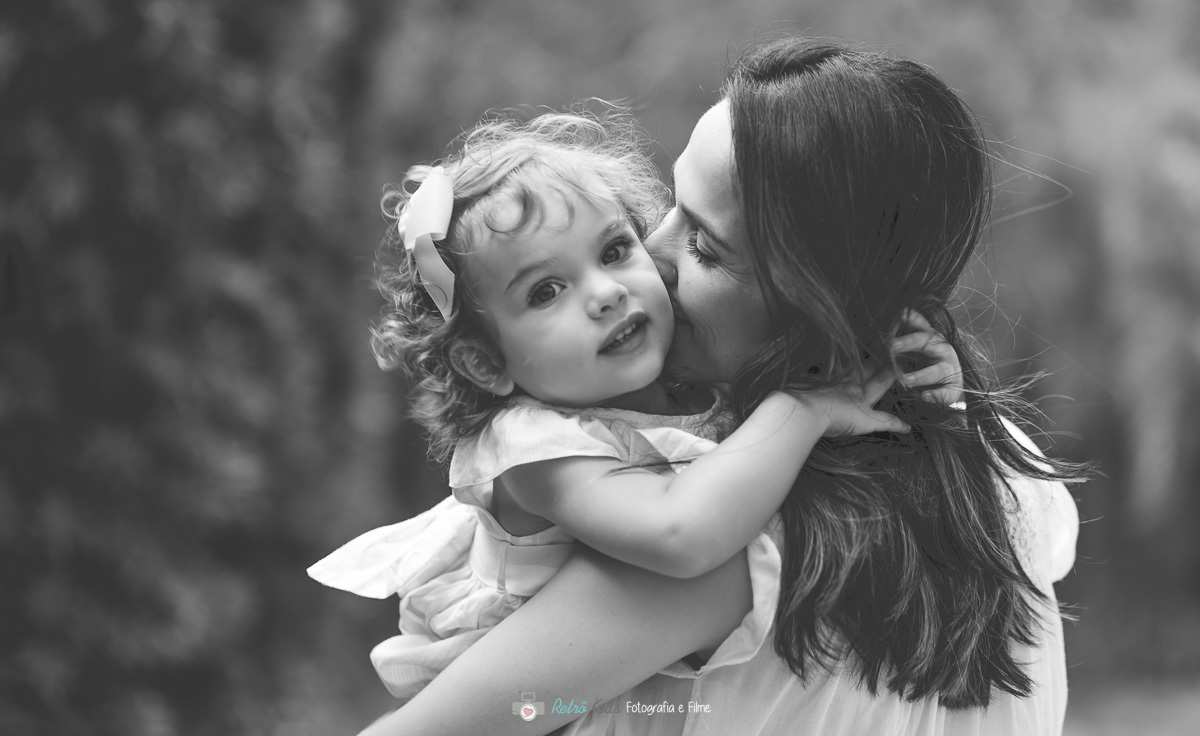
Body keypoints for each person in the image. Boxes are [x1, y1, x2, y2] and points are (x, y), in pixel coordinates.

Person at [354, 38, 1083, 736]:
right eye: (657, 216)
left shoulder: (738, 526)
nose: (652, 261)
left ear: (818, 295)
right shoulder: (999, 474)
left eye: (704, 245)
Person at [307, 110, 956, 704]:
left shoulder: (667, 387)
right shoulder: (529, 448)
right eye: (546, 291)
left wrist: (898, 363)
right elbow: (683, 536)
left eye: (615, 250)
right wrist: (808, 408)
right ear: (487, 364)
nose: (606, 294)